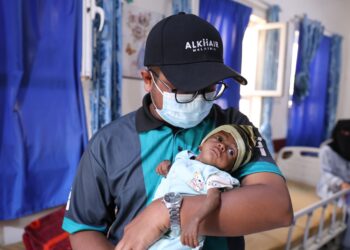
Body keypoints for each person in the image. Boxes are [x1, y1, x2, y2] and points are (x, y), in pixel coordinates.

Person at [62, 12, 293, 250]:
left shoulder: (234, 130)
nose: (199, 99)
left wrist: (166, 211)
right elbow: (84, 228)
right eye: (183, 89)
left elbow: (278, 207)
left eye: (208, 88)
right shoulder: (109, 143)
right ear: (148, 80)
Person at [150, 124, 256, 249]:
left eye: (231, 151)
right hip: (154, 219)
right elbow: (177, 175)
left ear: (229, 168)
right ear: (202, 144)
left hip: (181, 232)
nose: (222, 146)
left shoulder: (214, 174)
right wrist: (168, 168)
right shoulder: (184, 157)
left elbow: (213, 199)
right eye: (220, 139)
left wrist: (195, 220)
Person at [316, 119, 350, 249]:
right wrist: (341, 183)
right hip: (331, 186)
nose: (347, 135)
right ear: (337, 133)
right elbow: (325, 173)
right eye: (344, 132)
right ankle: (345, 244)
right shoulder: (327, 150)